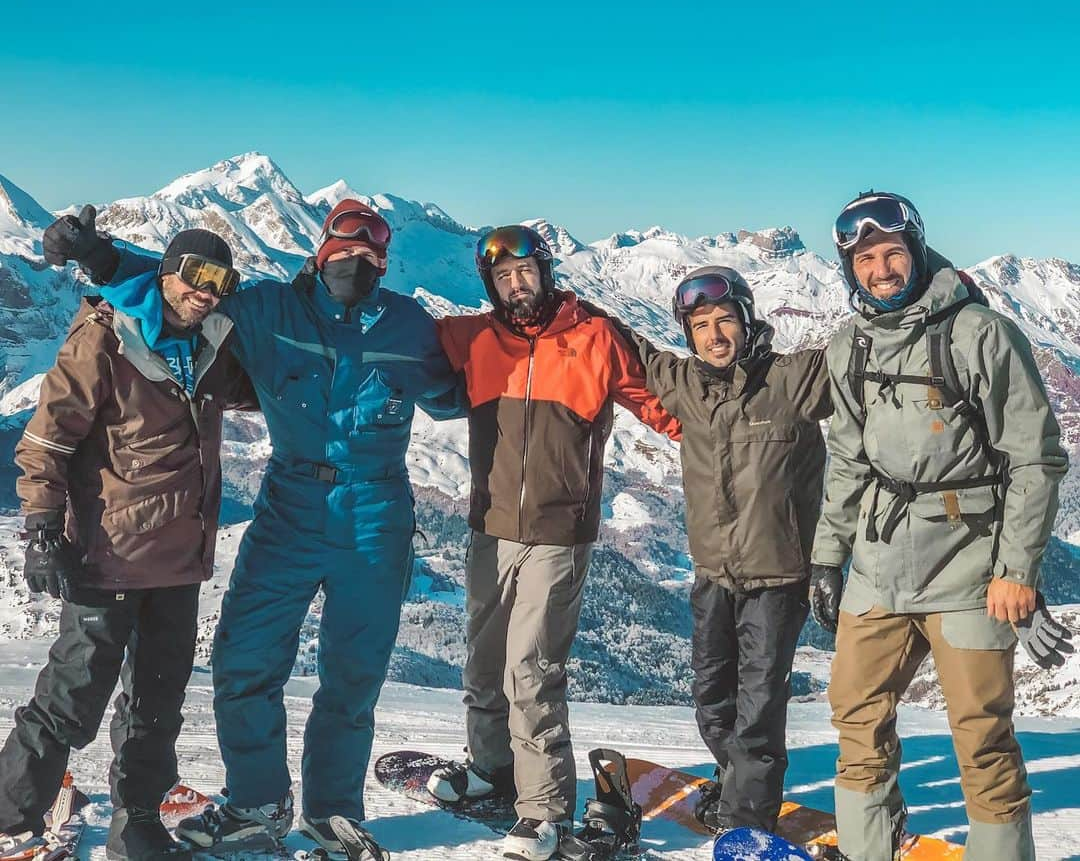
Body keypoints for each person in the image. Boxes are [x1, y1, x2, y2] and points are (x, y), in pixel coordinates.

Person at [39, 199, 463, 861]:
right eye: (345, 247)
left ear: (385, 261)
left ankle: (333, 815)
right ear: (320, 250)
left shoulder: (408, 325)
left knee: (353, 675)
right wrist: (98, 256)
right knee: (244, 661)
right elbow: (179, 284)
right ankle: (257, 804)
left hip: (376, 515)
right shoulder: (268, 308)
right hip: (290, 503)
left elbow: (465, 386)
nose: (357, 259)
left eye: (373, 251)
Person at [809, 191, 1071, 861]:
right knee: (856, 719)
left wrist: (1016, 570)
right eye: (865, 259)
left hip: (969, 568)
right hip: (877, 563)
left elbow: (1034, 457)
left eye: (893, 252)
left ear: (917, 252)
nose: (881, 268)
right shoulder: (849, 345)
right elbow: (846, 459)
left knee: (981, 735)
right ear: (849, 268)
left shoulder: (978, 332)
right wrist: (826, 556)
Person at [0, 218, 255, 861]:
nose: (206, 291)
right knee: (71, 696)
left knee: (157, 702)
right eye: (195, 275)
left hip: (179, 560)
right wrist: (40, 528)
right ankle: (9, 813)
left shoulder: (214, 345)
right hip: (107, 555)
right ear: (166, 272)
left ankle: (136, 819)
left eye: (220, 281)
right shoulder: (107, 337)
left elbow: (259, 390)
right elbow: (47, 440)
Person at [425, 225, 681, 860]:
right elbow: (394, 342)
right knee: (483, 664)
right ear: (491, 285)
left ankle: (543, 812)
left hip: (559, 533)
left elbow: (664, 406)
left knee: (530, 671)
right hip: (489, 528)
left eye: (526, 272)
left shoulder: (595, 335)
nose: (517, 285)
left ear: (545, 271)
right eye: (504, 277)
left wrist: (738, 446)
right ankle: (490, 770)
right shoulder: (474, 337)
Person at [581, 266, 832, 834]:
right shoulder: (687, 385)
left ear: (747, 320)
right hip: (713, 575)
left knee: (758, 713)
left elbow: (864, 346)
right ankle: (734, 779)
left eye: (724, 320)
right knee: (712, 704)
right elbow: (628, 345)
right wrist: (561, 301)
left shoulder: (792, 380)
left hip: (778, 578)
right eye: (700, 326)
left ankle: (747, 822)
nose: (715, 335)